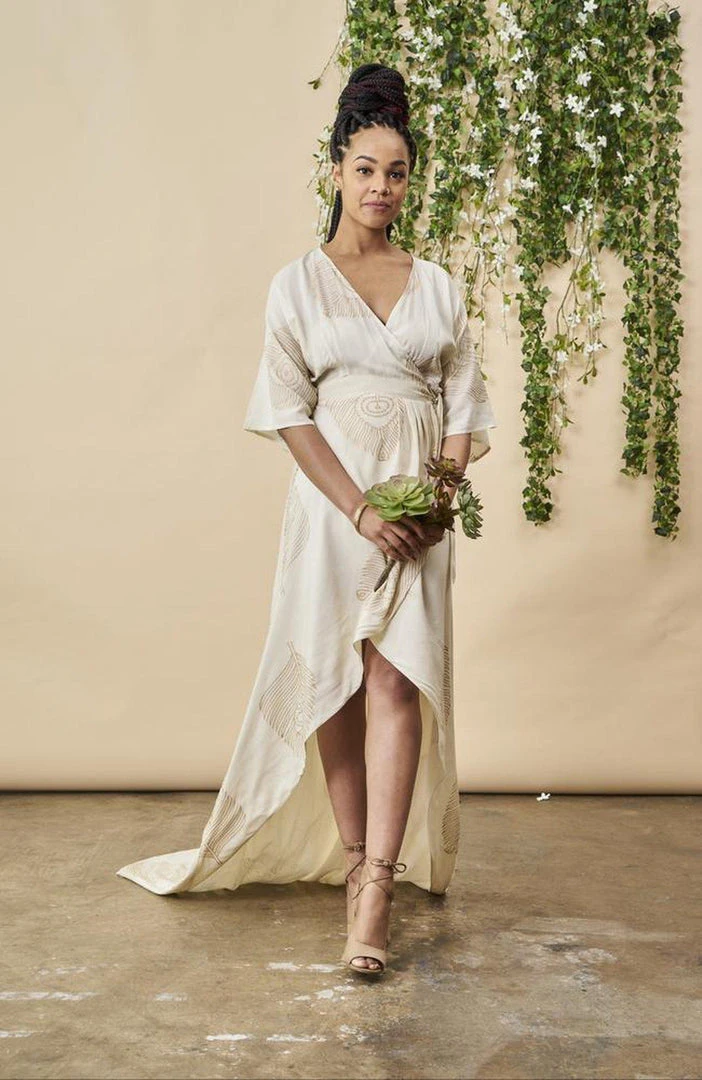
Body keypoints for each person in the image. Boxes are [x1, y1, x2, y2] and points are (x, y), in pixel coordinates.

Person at [116, 62, 497, 978]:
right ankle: (357, 854)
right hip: (335, 510)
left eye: (397, 172)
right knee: (336, 680)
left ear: (410, 180)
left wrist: (438, 501)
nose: (381, 188)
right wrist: (360, 509)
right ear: (335, 172)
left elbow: (463, 406)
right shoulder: (296, 286)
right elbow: (290, 414)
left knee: (398, 679)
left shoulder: (437, 286)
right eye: (365, 169)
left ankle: (378, 890)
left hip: (417, 514)